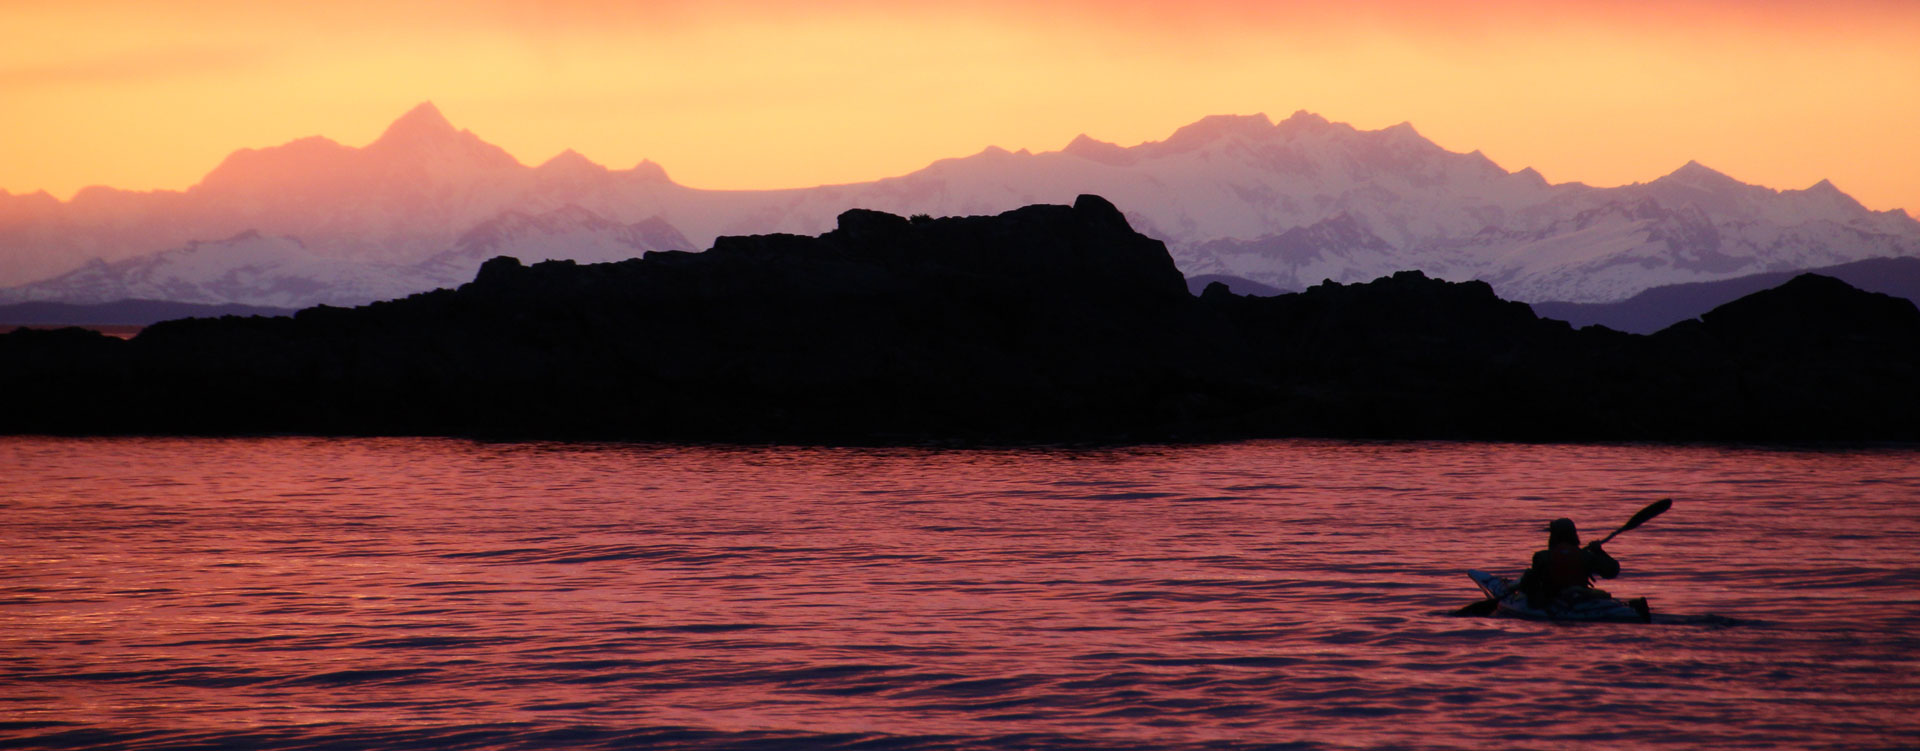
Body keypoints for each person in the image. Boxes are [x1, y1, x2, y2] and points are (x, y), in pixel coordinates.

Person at [1517, 517, 1619, 606]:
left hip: (1553, 598)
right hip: (1581, 598)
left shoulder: (1541, 556)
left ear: (1554, 536)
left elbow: (1533, 581)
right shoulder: (1586, 556)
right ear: (1574, 535)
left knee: (1529, 575)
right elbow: (1612, 571)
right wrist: (1599, 551)